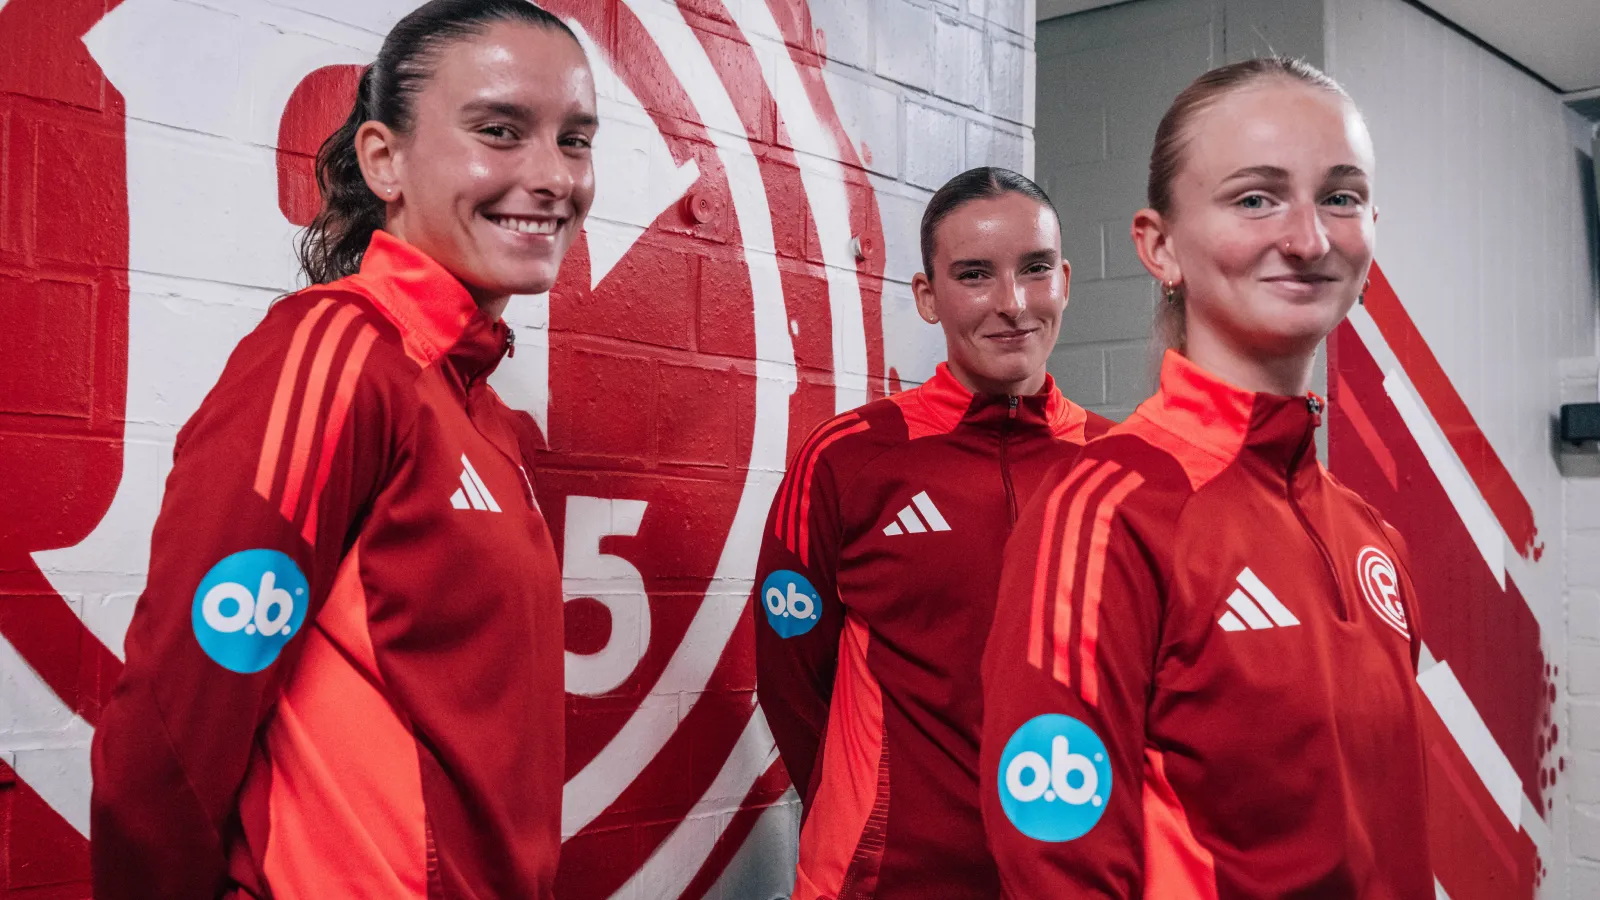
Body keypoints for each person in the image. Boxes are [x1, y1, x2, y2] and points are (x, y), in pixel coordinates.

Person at [89, 2, 595, 897]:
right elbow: (175, 720)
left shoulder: (482, 409)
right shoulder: (336, 350)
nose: (553, 177)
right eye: (500, 130)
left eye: (575, 140)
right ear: (384, 159)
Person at [979, 57, 1432, 898]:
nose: (1308, 238)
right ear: (1160, 247)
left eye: (1339, 196)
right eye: (1255, 198)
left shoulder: (1372, 536)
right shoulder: (1107, 511)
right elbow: (1056, 865)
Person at [754, 167, 1113, 899]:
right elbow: (791, 680)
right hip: (886, 879)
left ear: (1065, 281)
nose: (1012, 304)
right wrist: (878, 814)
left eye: (1034, 269)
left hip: (1073, 881)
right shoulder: (850, 458)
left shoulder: (1121, 468)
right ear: (928, 297)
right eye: (975, 275)